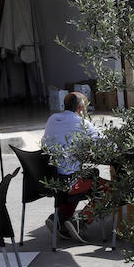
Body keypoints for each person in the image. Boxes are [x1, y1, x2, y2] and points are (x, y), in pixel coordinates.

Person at [42, 90, 101, 241]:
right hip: (70, 181)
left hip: (50, 178)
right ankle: (79, 222)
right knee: (107, 187)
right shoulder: (82, 123)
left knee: (86, 174)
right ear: (81, 108)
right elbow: (104, 143)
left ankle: (59, 219)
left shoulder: (52, 119)